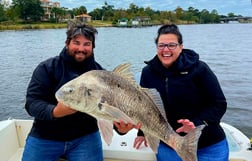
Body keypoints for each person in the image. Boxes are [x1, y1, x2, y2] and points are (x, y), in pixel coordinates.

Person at [22, 21, 135, 161]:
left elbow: (112, 109)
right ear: (67, 43)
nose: (81, 48)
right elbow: (32, 103)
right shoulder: (47, 68)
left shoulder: (101, 75)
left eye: (87, 44)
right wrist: (55, 112)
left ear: (93, 47)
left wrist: (121, 129)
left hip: (85, 138)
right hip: (45, 136)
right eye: (76, 42)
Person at [133, 24, 229, 161]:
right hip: (170, 146)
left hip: (208, 144)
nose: (166, 50)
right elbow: (145, 107)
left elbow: (219, 104)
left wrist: (196, 123)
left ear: (181, 46)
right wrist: (142, 132)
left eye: (172, 45)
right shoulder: (148, 73)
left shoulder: (199, 69)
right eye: (161, 45)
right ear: (157, 47)